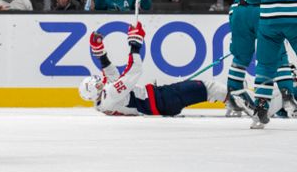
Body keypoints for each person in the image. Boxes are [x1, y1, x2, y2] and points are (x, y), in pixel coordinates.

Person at [224, 0, 297, 118]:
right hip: (272, 13)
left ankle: (236, 94)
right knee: (279, 55)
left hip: (239, 9)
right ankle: (288, 95)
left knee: (244, 58)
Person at [79, 24, 227, 116]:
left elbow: (112, 77)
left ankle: (228, 99)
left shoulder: (104, 102)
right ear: (96, 91)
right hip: (163, 100)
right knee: (207, 87)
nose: (100, 81)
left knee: (201, 91)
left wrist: (100, 52)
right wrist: (135, 44)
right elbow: (133, 71)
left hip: (160, 100)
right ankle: (237, 101)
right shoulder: (110, 94)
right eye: (98, 84)